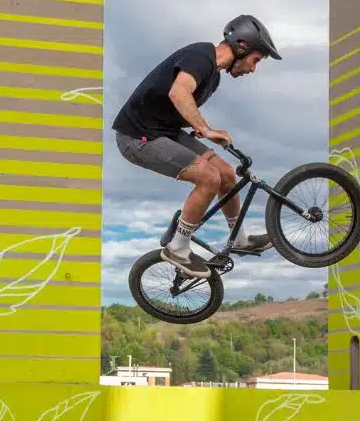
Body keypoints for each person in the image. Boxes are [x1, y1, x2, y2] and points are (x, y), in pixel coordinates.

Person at [110, 15, 283, 278]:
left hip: (165, 132)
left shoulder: (214, 77)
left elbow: (177, 104)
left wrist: (201, 129)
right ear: (242, 47)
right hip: (136, 137)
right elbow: (179, 92)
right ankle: (178, 248)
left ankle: (239, 239)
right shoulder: (201, 56)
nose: (253, 69)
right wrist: (206, 129)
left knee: (226, 174)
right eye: (256, 60)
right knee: (208, 177)